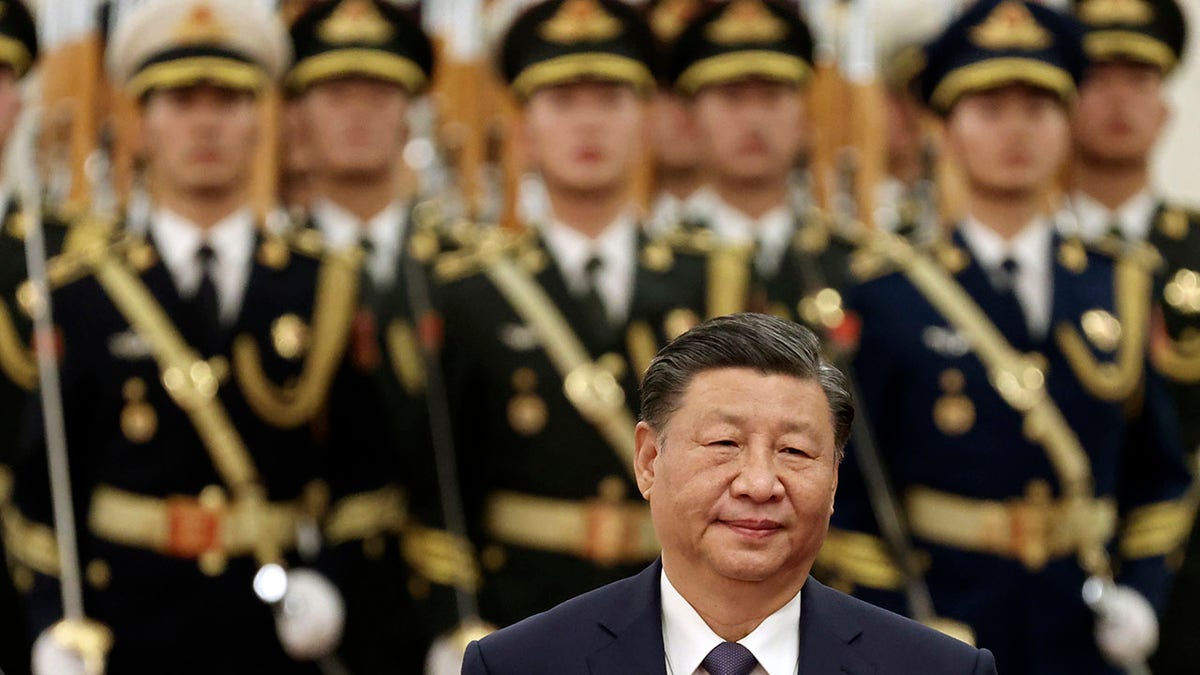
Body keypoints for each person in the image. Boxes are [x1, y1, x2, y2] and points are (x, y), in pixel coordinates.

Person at [819, 1, 1192, 673]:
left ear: (1066, 122)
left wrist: (1142, 594)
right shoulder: (888, 290)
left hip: (1087, 629)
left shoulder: (1122, 282)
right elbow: (846, 492)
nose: (1016, 132)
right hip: (949, 619)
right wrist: (897, 622)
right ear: (949, 127)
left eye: (1039, 109)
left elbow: (1160, 472)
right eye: (990, 111)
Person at [8, 1, 373, 671]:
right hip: (124, 631)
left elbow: (365, 472)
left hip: (273, 636)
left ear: (260, 116)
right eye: (179, 100)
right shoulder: (79, 292)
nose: (205, 121)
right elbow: (37, 491)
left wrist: (333, 580)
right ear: (141, 121)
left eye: (229, 99)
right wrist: (50, 622)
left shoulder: (324, 285)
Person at [430, 0, 751, 633]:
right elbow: (438, 480)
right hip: (525, 608)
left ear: (649, 122)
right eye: (561, 101)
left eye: (610, 99)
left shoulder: (718, 279)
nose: (587, 124)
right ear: (522, 131)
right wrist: (453, 621)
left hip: (689, 617)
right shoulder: (471, 291)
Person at [462, 312, 996, 675]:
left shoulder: (939, 669)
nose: (760, 484)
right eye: (724, 443)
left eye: (795, 452)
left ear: (834, 478)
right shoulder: (520, 665)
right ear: (649, 461)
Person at [284, 2, 475, 671]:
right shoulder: (270, 270)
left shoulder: (465, 270)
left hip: (451, 594)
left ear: (410, 111)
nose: (358, 113)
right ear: (297, 114)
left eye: (380, 93)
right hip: (299, 594)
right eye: (336, 94)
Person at [1062, 0, 1200, 671]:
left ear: (1166, 108)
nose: (1118, 99)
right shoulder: (1026, 263)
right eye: (1098, 77)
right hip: (1047, 582)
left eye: (1140, 79)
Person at [665, 0, 863, 335]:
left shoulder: (851, 265)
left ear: (804, 116)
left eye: (771, 97)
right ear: (692, 118)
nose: (753, 120)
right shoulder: (660, 270)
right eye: (732, 98)